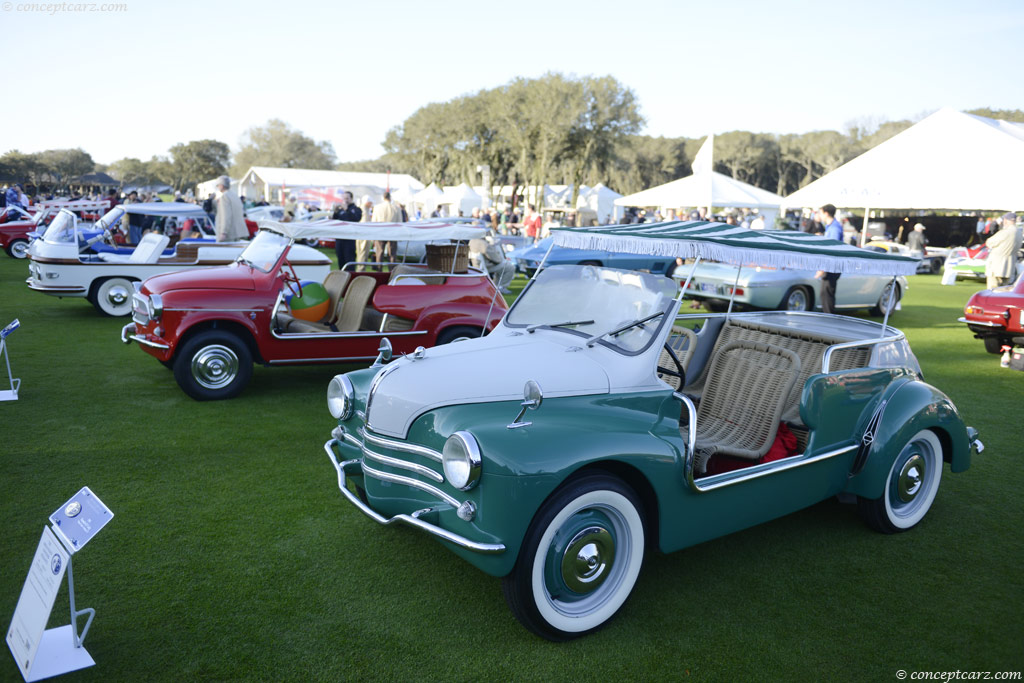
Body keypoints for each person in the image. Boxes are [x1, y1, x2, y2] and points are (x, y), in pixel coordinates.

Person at [815, 204, 843, 314]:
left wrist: (822, 269)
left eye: (820, 213)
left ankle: (829, 321)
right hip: (830, 266)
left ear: (826, 213)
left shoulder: (834, 228)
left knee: (827, 296)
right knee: (825, 294)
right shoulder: (830, 227)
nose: (819, 215)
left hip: (832, 267)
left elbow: (832, 249)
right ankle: (827, 319)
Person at [985, 212, 1022, 290]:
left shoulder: (1005, 232)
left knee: (993, 291)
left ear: (1005, 220)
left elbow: (989, 242)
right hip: (1009, 267)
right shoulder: (1019, 232)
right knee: (1003, 292)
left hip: (996, 266)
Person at [371, 191, 402, 269]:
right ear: (390, 197)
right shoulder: (396, 208)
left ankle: (379, 270)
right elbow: (400, 222)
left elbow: (374, 221)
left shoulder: (377, 207)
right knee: (392, 254)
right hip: (393, 233)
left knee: (379, 253)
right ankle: (391, 271)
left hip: (380, 232)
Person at [331, 190, 361, 269]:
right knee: (341, 260)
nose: (345, 200)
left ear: (351, 199)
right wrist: (335, 211)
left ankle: (351, 278)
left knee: (349, 261)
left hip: (349, 239)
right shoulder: (340, 210)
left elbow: (355, 219)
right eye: (344, 198)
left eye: (347, 198)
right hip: (339, 238)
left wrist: (347, 209)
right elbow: (334, 220)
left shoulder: (356, 209)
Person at [214, 176, 247, 242]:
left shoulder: (224, 197)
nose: (217, 187)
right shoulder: (234, 195)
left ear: (221, 185)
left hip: (228, 234)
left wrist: (223, 232)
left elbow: (226, 216)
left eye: (218, 185)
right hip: (237, 232)